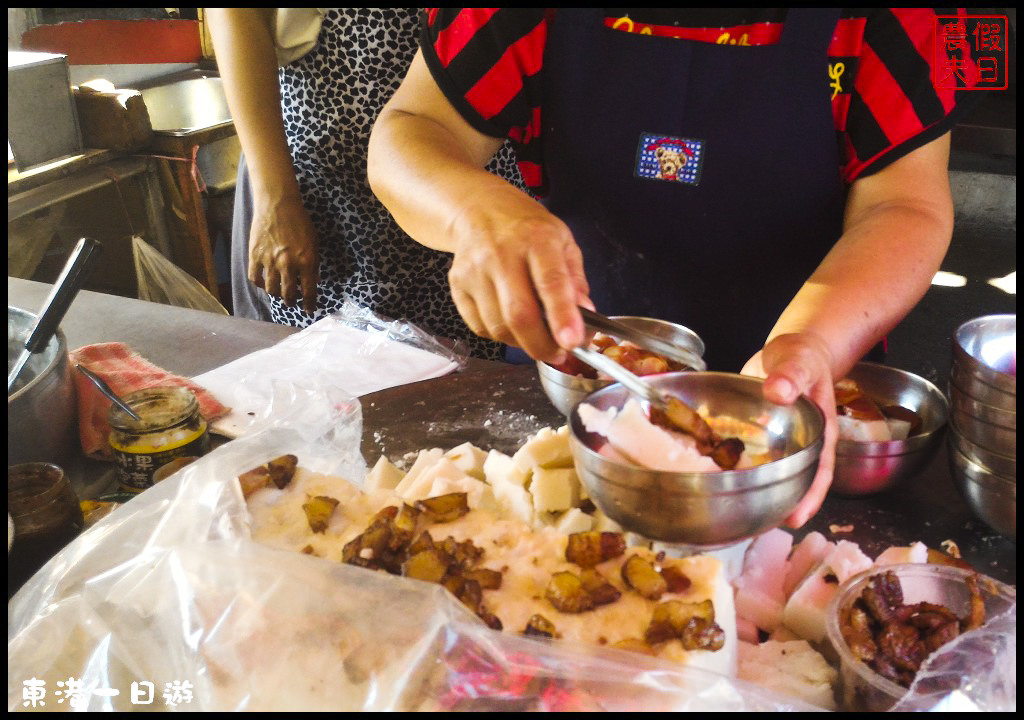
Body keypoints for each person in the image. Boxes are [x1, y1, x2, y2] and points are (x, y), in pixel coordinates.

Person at [367, 9, 983, 526]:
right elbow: (414, 130)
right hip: (580, 377)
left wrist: (813, 342)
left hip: (798, 402)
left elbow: (905, 204)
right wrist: (477, 212)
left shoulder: (880, 20)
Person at [206, 8, 525, 359]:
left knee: (466, 373)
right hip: (326, 194)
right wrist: (274, 197)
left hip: (459, 176)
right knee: (330, 379)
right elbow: (235, 16)